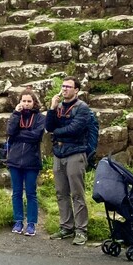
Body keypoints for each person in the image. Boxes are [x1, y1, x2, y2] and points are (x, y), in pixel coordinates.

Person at [45, 76, 93, 246]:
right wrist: (51, 108)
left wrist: (57, 132)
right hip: (59, 153)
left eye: (68, 86)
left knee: (77, 194)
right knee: (61, 193)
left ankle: (81, 231)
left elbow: (75, 129)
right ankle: (66, 227)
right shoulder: (58, 106)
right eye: (63, 86)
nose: (64, 89)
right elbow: (49, 127)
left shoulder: (82, 108)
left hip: (75, 154)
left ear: (76, 90)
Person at [6, 89, 46, 237]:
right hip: (15, 160)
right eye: (24, 101)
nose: (26, 104)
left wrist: (19, 134)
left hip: (32, 161)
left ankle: (31, 223)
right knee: (16, 193)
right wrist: (16, 114)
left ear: (34, 102)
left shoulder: (40, 118)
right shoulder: (16, 116)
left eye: (29, 101)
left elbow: (36, 136)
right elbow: (10, 131)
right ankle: (18, 221)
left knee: (30, 193)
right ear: (20, 102)